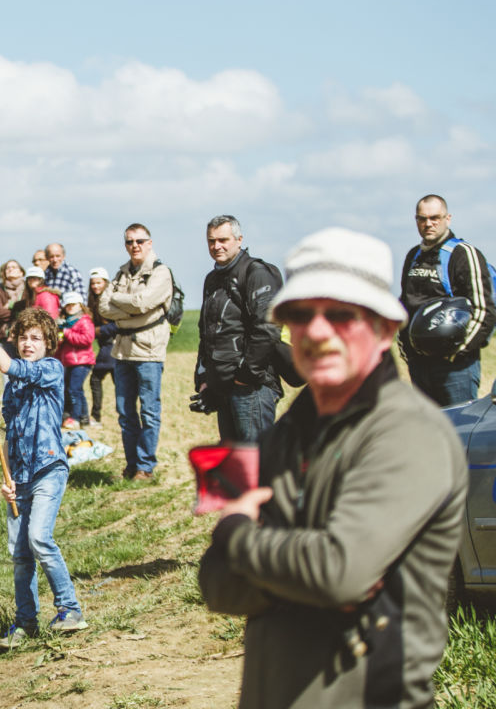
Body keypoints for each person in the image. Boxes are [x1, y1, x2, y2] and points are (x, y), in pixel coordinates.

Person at [198, 227, 466, 709]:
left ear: (385, 328)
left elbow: (338, 572)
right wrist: (301, 570)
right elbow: (218, 586)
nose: (318, 332)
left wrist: (237, 532)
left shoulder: (409, 433)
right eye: (301, 315)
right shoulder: (284, 435)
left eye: (341, 314)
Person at [0, 305, 87, 649]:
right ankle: (26, 622)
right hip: (21, 475)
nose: (28, 343)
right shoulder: (13, 387)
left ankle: (70, 609)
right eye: (23, 338)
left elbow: (7, 365)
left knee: (39, 538)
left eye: (36, 338)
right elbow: (11, 432)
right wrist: (9, 478)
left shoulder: (51, 369)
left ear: (48, 343)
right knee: (19, 554)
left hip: (48, 469)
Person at [398, 193, 496, 406]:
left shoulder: (463, 254)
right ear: (416, 220)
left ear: (447, 219)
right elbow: (405, 305)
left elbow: (484, 310)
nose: (428, 224)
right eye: (422, 219)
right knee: (428, 425)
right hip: (419, 365)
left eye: (435, 218)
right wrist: (407, 352)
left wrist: (458, 353)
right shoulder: (413, 256)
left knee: (457, 425)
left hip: (456, 369)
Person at [195, 215, 284, 442]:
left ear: (239, 240)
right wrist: (204, 378)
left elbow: (268, 327)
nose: (217, 246)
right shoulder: (212, 279)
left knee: (254, 457)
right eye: (211, 241)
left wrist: (246, 376)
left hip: (252, 388)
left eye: (223, 240)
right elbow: (206, 332)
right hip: (222, 386)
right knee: (234, 459)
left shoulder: (257, 273)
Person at [99, 224, 172, 480]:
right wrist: (133, 309)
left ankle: (145, 466)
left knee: (149, 411)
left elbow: (143, 303)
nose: (135, 246)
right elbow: (103, 307)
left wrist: (120, 302)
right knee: (125, 412)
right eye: (130, 242)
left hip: (149, 351)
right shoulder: (121, 273)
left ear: (149, 243)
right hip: (123, 350)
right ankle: (132, 465)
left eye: (140, 241)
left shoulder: (161, 272)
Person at [57, 292, 95, 429]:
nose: (70, 307)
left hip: (82, 361)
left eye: (73, 305)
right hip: (69, 361)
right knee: (72, 389)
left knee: (74, 390)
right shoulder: (65, 322)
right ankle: (84, 418)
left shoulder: (84, 321)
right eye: (68, 305)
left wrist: (67, 333)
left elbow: (87, 339)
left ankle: (75, 417)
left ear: (80, 305)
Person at [86, 269, 116, 426]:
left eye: (99, 282)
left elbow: (117, 324)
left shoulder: (111, 300)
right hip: (106, 345)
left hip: (112, 345)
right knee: (117, 382)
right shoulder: (93, 302)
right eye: (93, 283)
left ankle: (96, 416)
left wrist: (97, 331)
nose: (95, 286)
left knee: (96, 379)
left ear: (106, 283)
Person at [0, 259, 27, 358]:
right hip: (6, 336)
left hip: (26, 333)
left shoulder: (27, 289)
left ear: (21, 272)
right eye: (8, 268)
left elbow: (28, 308)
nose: (10, 269)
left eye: (13, 267)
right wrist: (17, 313)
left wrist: (9, 306)